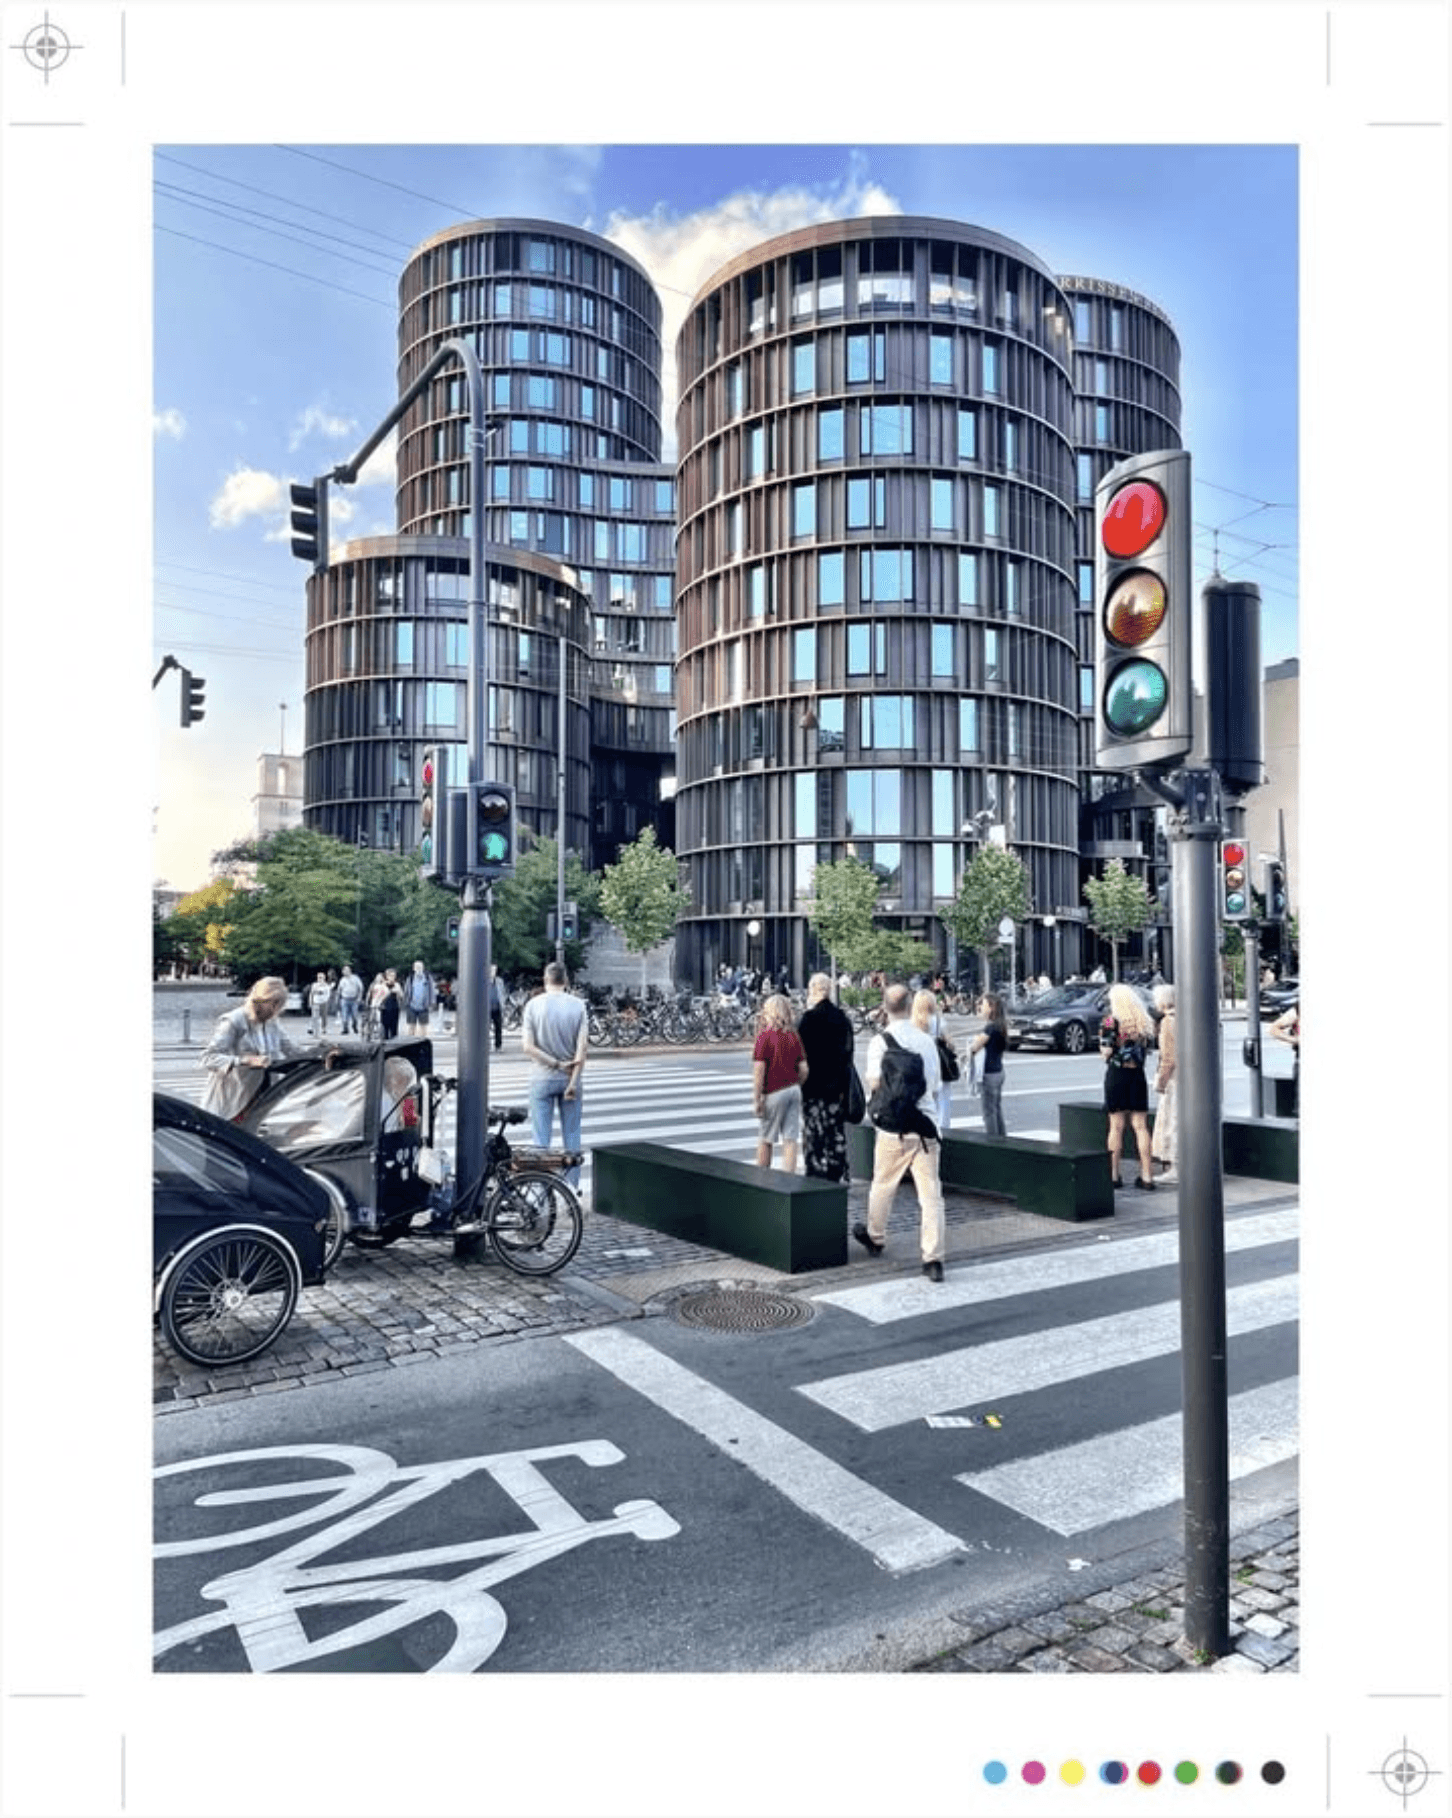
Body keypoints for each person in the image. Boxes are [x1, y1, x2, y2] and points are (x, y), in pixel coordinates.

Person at [854, 983, 947, 1282]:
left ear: (884, 1008)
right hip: (924, 1126)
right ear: (909, 1006)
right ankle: (933, 1258)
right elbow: (935, 1085)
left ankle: (876, 1236)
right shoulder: (926, 1041)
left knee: (883, 1184)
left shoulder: (879, 1043)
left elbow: (874, 1082)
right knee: (930, 1195)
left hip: (892, 1127)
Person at [520, 962, 588, 1188]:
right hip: (570, 1079)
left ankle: (542, 1195)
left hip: (541, 1077)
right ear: (566, 980)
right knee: (572, 1136)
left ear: (545, 979)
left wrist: (556, 1064)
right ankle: (572, 1191)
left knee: (541, 1141)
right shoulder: (578, 1006)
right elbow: (582, 1049)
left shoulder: (533, 1005)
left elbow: (528, 1047)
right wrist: (573, 1081)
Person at [201, 976, 307, 1122]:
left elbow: (292, 1050)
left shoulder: (272, 1023)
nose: (275, 1011)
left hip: (260, 1100)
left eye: (279, 1005)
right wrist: (245, 1061)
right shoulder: (234, 1021)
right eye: (273, 1004)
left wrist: (318, 1054)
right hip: (233, 1102)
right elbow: (208, 1058)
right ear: (260, 1000)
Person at [797, 973, 855, 1182]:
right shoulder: (842, 1019)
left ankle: (815, 1173)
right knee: (835, 1131)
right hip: (836, 1086)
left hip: (812, 1085)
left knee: (814, 1133)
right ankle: (836, 1172)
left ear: (813, 990)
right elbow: (848, 1054)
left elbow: (800, 1055)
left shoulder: (808, 1019)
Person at [1100, 982, 1157, 1190]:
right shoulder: (1143, 1022)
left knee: (1116, 1127)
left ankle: (1114, 1175)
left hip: (1117, 1075)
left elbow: (1106, 1052)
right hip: (1137, 1076)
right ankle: (1147, 1176)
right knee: (1141, 1127)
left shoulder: (1110, 1021)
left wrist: (1106, 1051)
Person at [752, 994, 809, 1175]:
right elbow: (804, 1068)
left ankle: (762, 1178)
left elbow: (759, 1070)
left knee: (766, 1138)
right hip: (793, 1090)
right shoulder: (793, 1036)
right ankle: (789, 1178)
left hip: (774, 1091)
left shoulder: (764, 1037)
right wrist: (797, 1082)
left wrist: (757, 1098)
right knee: (790, 1138)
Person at [912, 987, 955, 1135]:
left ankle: (924, 1129)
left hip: (919, 1063)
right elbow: (951, 1044)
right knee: (943, 1099)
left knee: (923, 1099)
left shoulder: (913, 1023)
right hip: (937, 1062)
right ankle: (942, 1130)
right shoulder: (938, 1021)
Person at [967, 992, 1009, 1137]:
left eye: (983, 1005)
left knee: (988, 1113)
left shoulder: (990, 1028)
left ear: (992, 1007)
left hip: (989, 1074)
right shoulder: (1000, 1025)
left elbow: (974, 1048)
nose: (981, 1008)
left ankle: (993, 1141)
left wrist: (974, 1041)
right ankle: (1002, 1140)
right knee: (996, 1109)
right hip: (998, 1071)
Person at [1151, 983, 1178, 1184]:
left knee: (1171, 1122)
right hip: (1190, 1077)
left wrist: (1161, 1081)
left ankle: (1176, 1167)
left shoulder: (1168, 1022)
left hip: (1175, 1079)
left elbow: (1168, 1057)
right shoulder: (1186, 1017)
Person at [403, 959, 436, 1034]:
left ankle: (422, 1040)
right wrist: (406, 1002)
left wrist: (432, 1003)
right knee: (411, 1026)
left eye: (420, 967)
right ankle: (411, 1040)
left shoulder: (427, 978)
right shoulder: (410, 978)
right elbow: (406, 991)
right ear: (413, 968)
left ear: (423, 968)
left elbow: (432, 991)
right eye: (417, 967)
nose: (418, 968)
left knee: (423, 1026)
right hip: (412, 1006)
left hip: (424, 1006)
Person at [336, 964, 363, 1035]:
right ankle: (345, 1029)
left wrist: (359, 997)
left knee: (354, 1015)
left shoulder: (356, 978)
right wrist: (338, 999)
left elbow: (360, 988)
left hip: (354, 999)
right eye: (344, 970)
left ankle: (354, 1026)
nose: (345, 972)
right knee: (344, 1015)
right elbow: (339, 990)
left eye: (347, 970)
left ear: (350, 970)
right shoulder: (342, 980)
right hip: (345, 999)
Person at [378, 967, 403, 1040]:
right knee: (385, 1028)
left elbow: (402, 996)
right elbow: (378, 997)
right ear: (386, 976)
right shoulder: (382, 985)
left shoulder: (397, 985)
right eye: (390, 975)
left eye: (394, 975)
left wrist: (398, 992)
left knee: (394, 1028)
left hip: (395, 1008)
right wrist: (387, 992)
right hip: (385, 1008)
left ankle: (394, 1042)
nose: (392, 977)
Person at [307, 970, 332, 1037]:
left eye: (321, 977)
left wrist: (326, 1000)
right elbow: (311, 994)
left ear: (324, 978)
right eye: (319, 977)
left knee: (324, 1016)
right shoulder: (314, 985)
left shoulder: (326, 986)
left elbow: (328, 994)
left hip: (323, 1002)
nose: (320, 979)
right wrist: (310, 1001)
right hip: (316, 1002)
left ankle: (324, 1027)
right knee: (315, 1016)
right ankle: (313, 1029)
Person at [490, 966, 506, 1051]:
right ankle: (486, 1045)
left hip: (497, 1007)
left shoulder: (499, 981)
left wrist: (503, 1003)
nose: (493, 972)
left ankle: (498, 1045)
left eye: (494, 970)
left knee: (498, 1027)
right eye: (492, 970)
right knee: (485, 1028)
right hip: (487, 1008)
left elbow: (502, 992)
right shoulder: (484, 980)